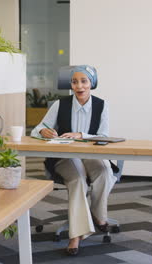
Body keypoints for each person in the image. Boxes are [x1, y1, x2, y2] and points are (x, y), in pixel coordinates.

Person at [31, 65, 116, 256]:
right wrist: (43, 130)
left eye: (84, 81)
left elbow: (103, 136)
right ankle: (76, 235)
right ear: (71, 84)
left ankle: (98, 215)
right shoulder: (60, 104)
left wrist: (81, 135)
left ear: (92, 83)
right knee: (78, 179)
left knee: (104, 171)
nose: (79, 86)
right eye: (75, 82)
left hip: (92, 154)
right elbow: (37, 129)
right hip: (65, 157)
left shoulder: (102, 105)